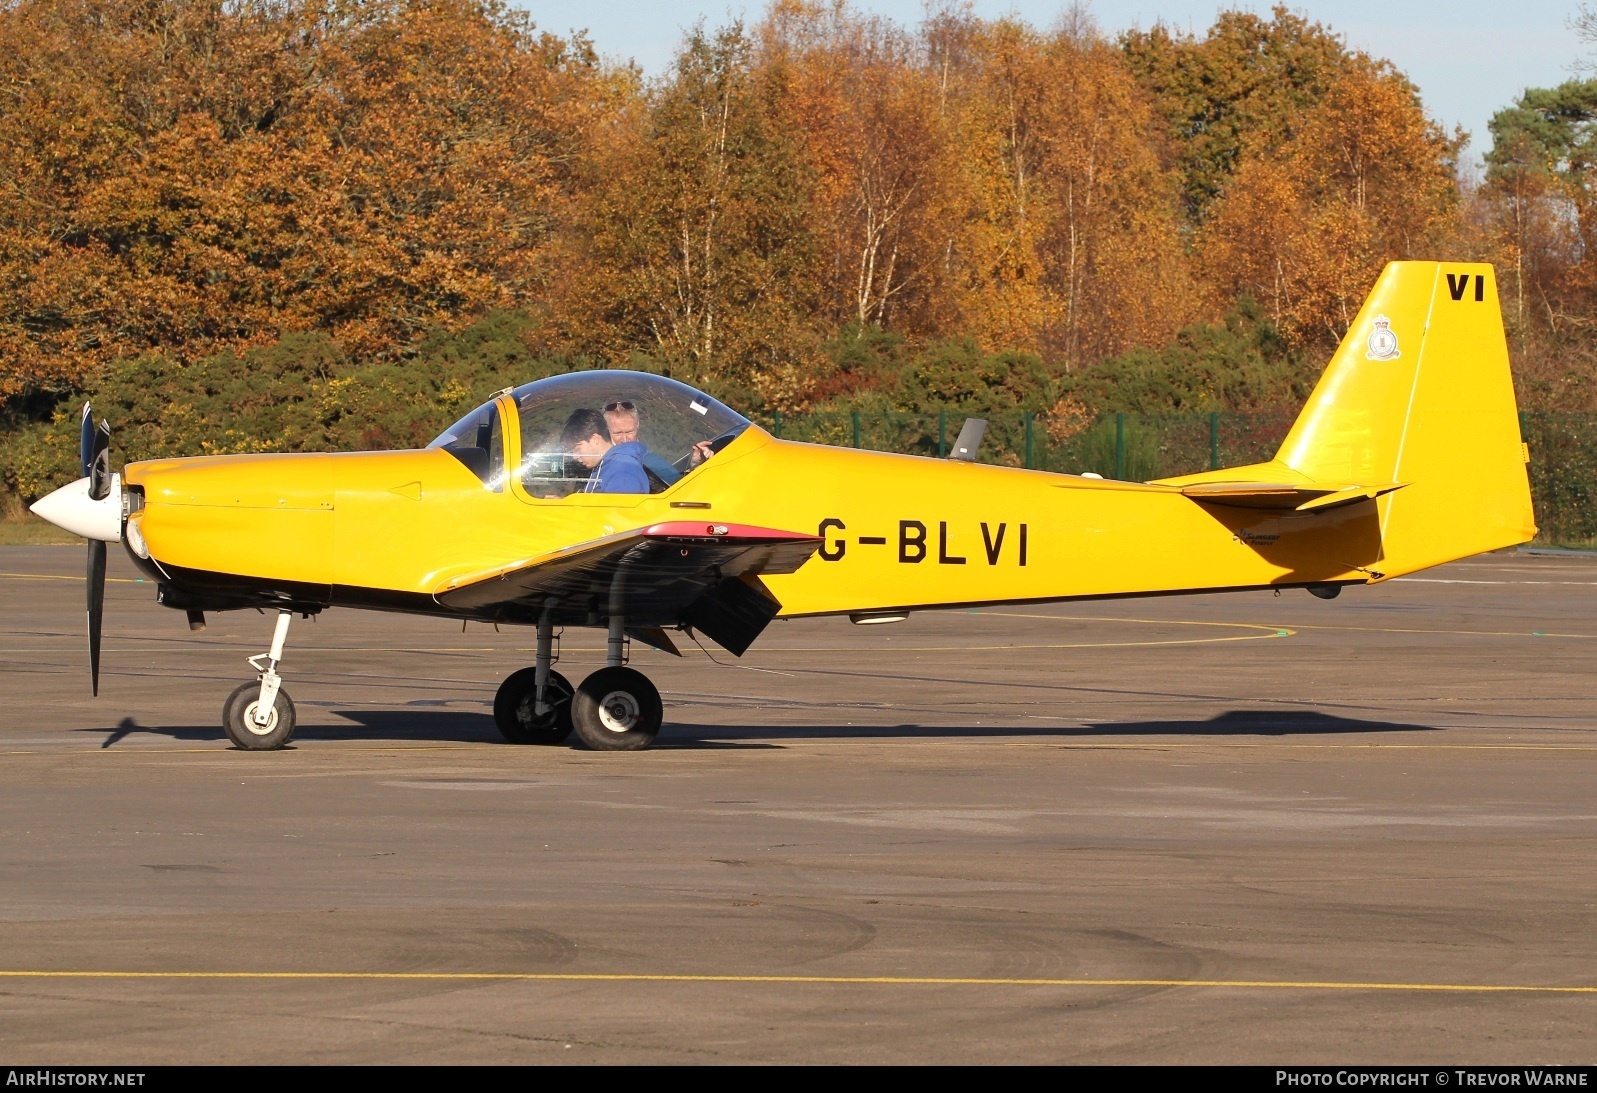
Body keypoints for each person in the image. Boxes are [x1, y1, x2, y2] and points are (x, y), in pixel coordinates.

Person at [604, 398, 714, 485]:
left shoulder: (650, 462)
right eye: (617, 433)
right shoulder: (596, 461)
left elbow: (682, 488)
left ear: (638, 426)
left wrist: (696, 465)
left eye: (629, 432)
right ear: (606, 431)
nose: (624, 440)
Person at [559, 408, 650, 494]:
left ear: (595, 439)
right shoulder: (607, 466)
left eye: (577, 449)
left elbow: (615, 510)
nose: (575, 456)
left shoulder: (622, 472)